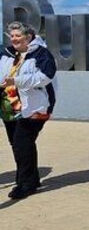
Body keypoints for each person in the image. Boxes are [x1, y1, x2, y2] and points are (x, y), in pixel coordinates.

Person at [1, 21, 57, 200]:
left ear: (29, 37)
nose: (14, 39)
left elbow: (45, 77)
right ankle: (30, 179)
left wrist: (16, 81)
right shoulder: (6, 53)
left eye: (18, 35)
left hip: (35, 107)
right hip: (9, 107)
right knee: (19, 144)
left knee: (22, 142)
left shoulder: (41, 54)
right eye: (12, 36)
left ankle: (26, 185)